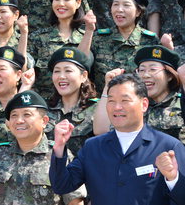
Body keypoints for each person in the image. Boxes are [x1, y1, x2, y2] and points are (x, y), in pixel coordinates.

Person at [49, 73, 185, 205]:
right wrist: (59, 148)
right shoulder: (93, 147)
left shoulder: (168, 147)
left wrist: (173, 179)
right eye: (111, 101)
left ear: (144, 104)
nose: (117, 107)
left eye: (125, 100)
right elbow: (62, 186)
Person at [0, 91, 87, 204]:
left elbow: (75, 200)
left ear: (44, 121)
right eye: (14, 115)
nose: (19, 120)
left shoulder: (58, 156)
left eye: (27, 114)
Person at [80, 0, 159, 91]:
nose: (119, 10)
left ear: (138, 11)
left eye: (126, 5)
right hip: (104, 102)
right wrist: (89, 31)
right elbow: (80, 64)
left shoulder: (150, 41)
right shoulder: (98, 38)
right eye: (115, 5)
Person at [30, 0, 87, 96]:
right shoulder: (38, 38)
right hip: (46, 103)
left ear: (78, 3)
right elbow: (28, 72)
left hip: (80, 103)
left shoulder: (87, 36)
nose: (61, 4)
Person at [45, 47, 99, 155]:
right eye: (57, 71)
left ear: (83, 76)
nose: (61, 76)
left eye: (68, 71)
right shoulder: (43, 108)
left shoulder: (97, 109)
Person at [134, 45, 185, 142]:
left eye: (153, 69)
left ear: (169, 75)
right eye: (141, 70)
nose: (145, 75)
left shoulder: (181, 105)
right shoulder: (135, 105)